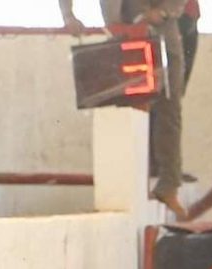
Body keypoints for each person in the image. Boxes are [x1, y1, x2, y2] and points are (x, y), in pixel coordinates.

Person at [59, 0, 189, 220]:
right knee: (124, 111)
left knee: (169, 109)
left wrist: (163, 11)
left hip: (162, 32)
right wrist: (68, 16)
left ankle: (169, 183)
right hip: (121, 34)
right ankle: (125, 184)